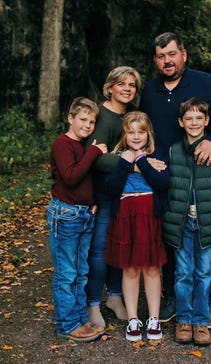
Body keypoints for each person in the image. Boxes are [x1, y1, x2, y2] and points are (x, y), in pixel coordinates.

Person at [139, 31, 211, 326]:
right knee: (171, 235)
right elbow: (142, 128)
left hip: (201, 173)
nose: (167, 61)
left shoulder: (204, 83)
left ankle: (208, 303)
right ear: (155, 61)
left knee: (202, 238)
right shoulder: (151, 91)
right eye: (161, 56)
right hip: (165, 176)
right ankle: (174, 297)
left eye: (172, 54)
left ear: (183, 54)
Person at [163, 97, 211, 346]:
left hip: (206, 222)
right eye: (189, 118)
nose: (194, 123)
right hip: (181, 223)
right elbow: (166, 187)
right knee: (183, 273)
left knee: (203, 273)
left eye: (199, 118)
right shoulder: (173, 150)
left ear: (207, 121)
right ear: (181, 122)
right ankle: (184, 319)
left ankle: (201, 321)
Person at [84, 66, 142, 328]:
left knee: (122, 248)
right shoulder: (101, 115)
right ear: (110, 87)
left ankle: (115, 297)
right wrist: (130, 162)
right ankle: (93, 304)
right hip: (103, 195)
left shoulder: (130, 115)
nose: (127, 88)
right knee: (99, 251)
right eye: (122, 84)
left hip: (126, 194)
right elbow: (96, 158)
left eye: (132, 84)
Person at [104, 111, 169, 342]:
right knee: (130, 268)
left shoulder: (156, 154)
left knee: (151, 267)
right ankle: (133, 319)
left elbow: (162, 182)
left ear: (148, 133)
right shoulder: (118, 157)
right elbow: (110, 188)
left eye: (140, 132)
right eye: (130, 132)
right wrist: (127, 162)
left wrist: (141, 160)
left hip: (149, 214)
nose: (136, 136)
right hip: (125, 215)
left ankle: (153, 318)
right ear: (124, 134)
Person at [47, 97, 108, 343]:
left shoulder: (82, 146)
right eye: (83, 119)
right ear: (70, 118)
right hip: (66, 215)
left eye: (92, 122)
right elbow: (71, 177)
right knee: (67, 273)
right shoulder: (62, 144)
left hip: (83, 214)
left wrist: (92, 201)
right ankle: (67, 323)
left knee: (82, 271)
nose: (88, 125)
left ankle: (81, 318)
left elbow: (85, 181)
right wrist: (94, 151)